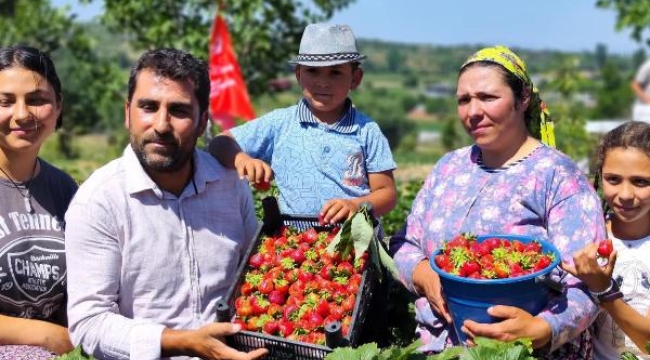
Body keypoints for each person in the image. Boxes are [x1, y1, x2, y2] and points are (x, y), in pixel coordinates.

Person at [389, 46, 607, 359]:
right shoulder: (448, 168)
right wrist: (424, 274)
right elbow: (406, 244)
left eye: (487, 97)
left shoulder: (558, 176)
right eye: (464, 100)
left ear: (523, 99)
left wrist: (543, 328)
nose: (473, 111)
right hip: (438, 349)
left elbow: (589, 283)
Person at [64, 48, 268, 360]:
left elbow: (254, 279)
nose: (161, 124)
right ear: (127, 113)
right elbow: (89, 324)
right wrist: (182, 341)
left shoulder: (230, 186)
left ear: (202, 124)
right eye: (148, 107)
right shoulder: (99, 201)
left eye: (179, 110)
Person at [208, 23, 397, 225]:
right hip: (292, 246)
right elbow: (220, 142)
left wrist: (356, 205)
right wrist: (242, 160)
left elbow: (387, 193)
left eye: (335, 73)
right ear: (298, 74)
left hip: (351, 243)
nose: (323, 82)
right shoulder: (280, 123)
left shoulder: (367, 131)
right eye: (313, 71)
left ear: (355, 78)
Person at [0, 45, 78, 359]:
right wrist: (48, 335)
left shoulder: (65, 188)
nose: (22, 114)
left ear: (58, 107)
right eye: (5, 101)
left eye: (37, 100)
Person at [562, 121, 650, 359]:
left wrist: (604, 290)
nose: (625, 195)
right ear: (600, 177)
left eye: (641, 182)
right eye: (613, 179)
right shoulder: (586, 234)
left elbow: (649, 342)